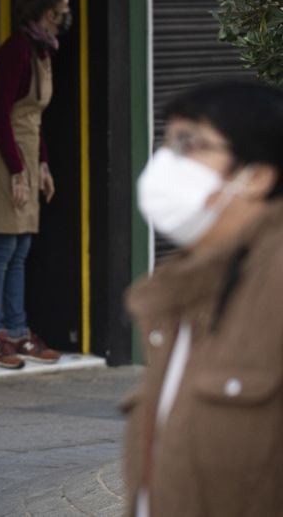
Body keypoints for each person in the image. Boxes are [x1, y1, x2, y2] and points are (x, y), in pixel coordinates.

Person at [123, 80, 283, 516]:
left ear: (257, 176)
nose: (167, 163)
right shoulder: (185, 290)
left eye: (190, 144)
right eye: (169, 142)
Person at [0, 0, 66, 369]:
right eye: (61, 11)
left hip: (26, 151)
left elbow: (33, 117)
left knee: (22, 246)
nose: (65, 17)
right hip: (3, 154)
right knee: (3, 247)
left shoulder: (42, 51)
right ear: (44, 13)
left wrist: (41, 164)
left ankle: (18, 330)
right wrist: (15, 170)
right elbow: (0, 113)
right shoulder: (15, 51)